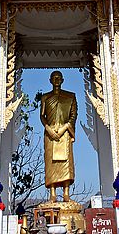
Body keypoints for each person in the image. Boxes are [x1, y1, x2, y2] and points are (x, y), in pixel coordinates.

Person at [40, 71, 77, 202]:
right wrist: (48, 128)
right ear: (50, 80)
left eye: (58, 78)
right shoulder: (45, 97)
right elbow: (42, 116)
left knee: (66, 162)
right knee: (51, 163)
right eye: (54, 78)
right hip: (50, 133)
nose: (56, 80)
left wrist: (65, 127)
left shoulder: (70, 96)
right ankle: (53, 193)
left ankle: (66, 193)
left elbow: (73, 116)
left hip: (65, 132)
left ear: (62, 80)